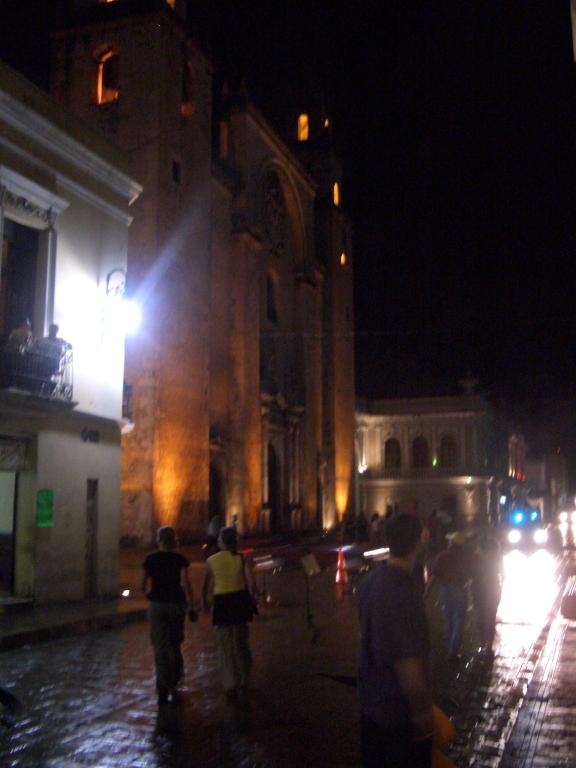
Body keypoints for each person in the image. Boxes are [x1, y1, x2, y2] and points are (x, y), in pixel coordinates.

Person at [357, 513, 434, 768]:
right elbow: (407, 661)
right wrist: (422, 710)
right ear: (417, 544)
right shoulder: (405, 593)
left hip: (370, 703)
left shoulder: (368, 583)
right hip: (398, 711)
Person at [142, 525, 194, 705]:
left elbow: (142, 585)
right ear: (174, 540)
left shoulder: (150, 559)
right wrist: (191, 604)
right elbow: (186, 584)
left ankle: (162, 685)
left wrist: (149, 596)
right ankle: (174, 683)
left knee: (159, 646)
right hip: (176, 604)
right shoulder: (180, 559)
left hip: (156, 604)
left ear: (158, 540)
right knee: (174, 643)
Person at [202, 526, 256, 700]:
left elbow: (206, 586)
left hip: (222, 603)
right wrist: (253, 598)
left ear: (221, 542)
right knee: (240, 642)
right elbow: (251, 583)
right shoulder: (242, 558)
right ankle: (244, 677)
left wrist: (205, 603)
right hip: (239, 601)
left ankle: (230, 683)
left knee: (225, 645)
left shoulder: (211, 560)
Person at [428, 532, 473, 663]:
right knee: (458, 622)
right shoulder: (466, 557)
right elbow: (470, 573)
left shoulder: (442, 556)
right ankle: (453, 652)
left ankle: (450, 647)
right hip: (459, 589)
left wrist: (427, 591)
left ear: (451, 543)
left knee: (449, 621)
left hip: (445, 590)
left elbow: (434, 575)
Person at [471, 535, 504, 655]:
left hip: (481, 591)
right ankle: (487, 645)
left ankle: (484, 644)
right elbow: (503, 575)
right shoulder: (494, 560)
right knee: (489, 618)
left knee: (482, 618)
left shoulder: (478, 560)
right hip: (491, 591)